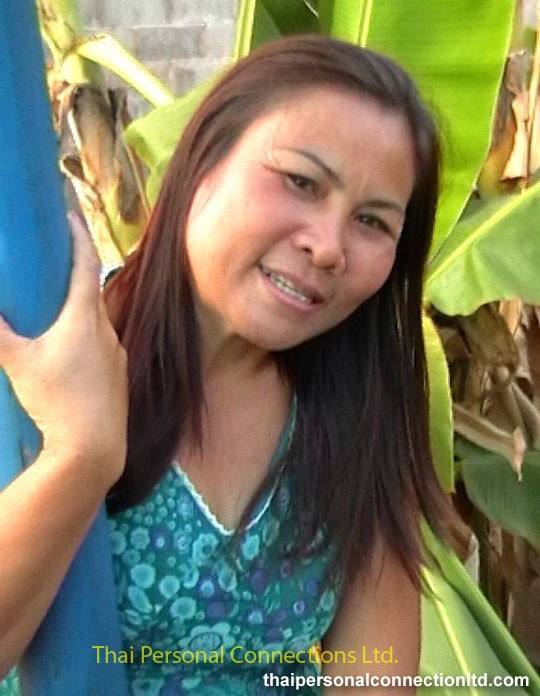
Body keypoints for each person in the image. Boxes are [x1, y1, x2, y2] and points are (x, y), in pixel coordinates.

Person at [0, 35, 451, 695]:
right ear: (202, 162)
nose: (329, 247)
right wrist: (81, 453)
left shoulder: (356, 415)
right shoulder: (41, 353)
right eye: (301, 182)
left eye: (373, 223)